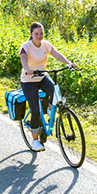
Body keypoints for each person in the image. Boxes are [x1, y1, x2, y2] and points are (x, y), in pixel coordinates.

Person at [19, 22, 75, 152]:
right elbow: (23, 59)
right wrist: (27, 69)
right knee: (36, 111)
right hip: (29, 80)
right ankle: (35, 141)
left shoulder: (46, 45)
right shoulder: (26, 46)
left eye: (41, 33)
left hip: (42, 76)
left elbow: (57, 54)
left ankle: (50, 109)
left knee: (55, 92)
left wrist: (68, 64)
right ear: (31, 34)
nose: (39, 36)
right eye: (36, 34)